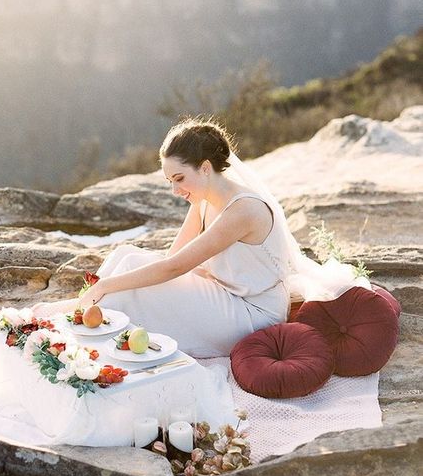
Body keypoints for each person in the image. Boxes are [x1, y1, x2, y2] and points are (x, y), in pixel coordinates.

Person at [69, 118, 294, 358]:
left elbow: (173, 267)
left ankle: (83, 336)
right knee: (125, 255)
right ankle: (83, 318)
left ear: (205, 168)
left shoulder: (244, 210)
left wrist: (104, 285)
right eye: (170, 182)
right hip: (226, 297)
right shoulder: (204, 200)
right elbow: (172, 256)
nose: (175, 191)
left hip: (254, 314)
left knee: (132, 269)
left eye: (179, 179)